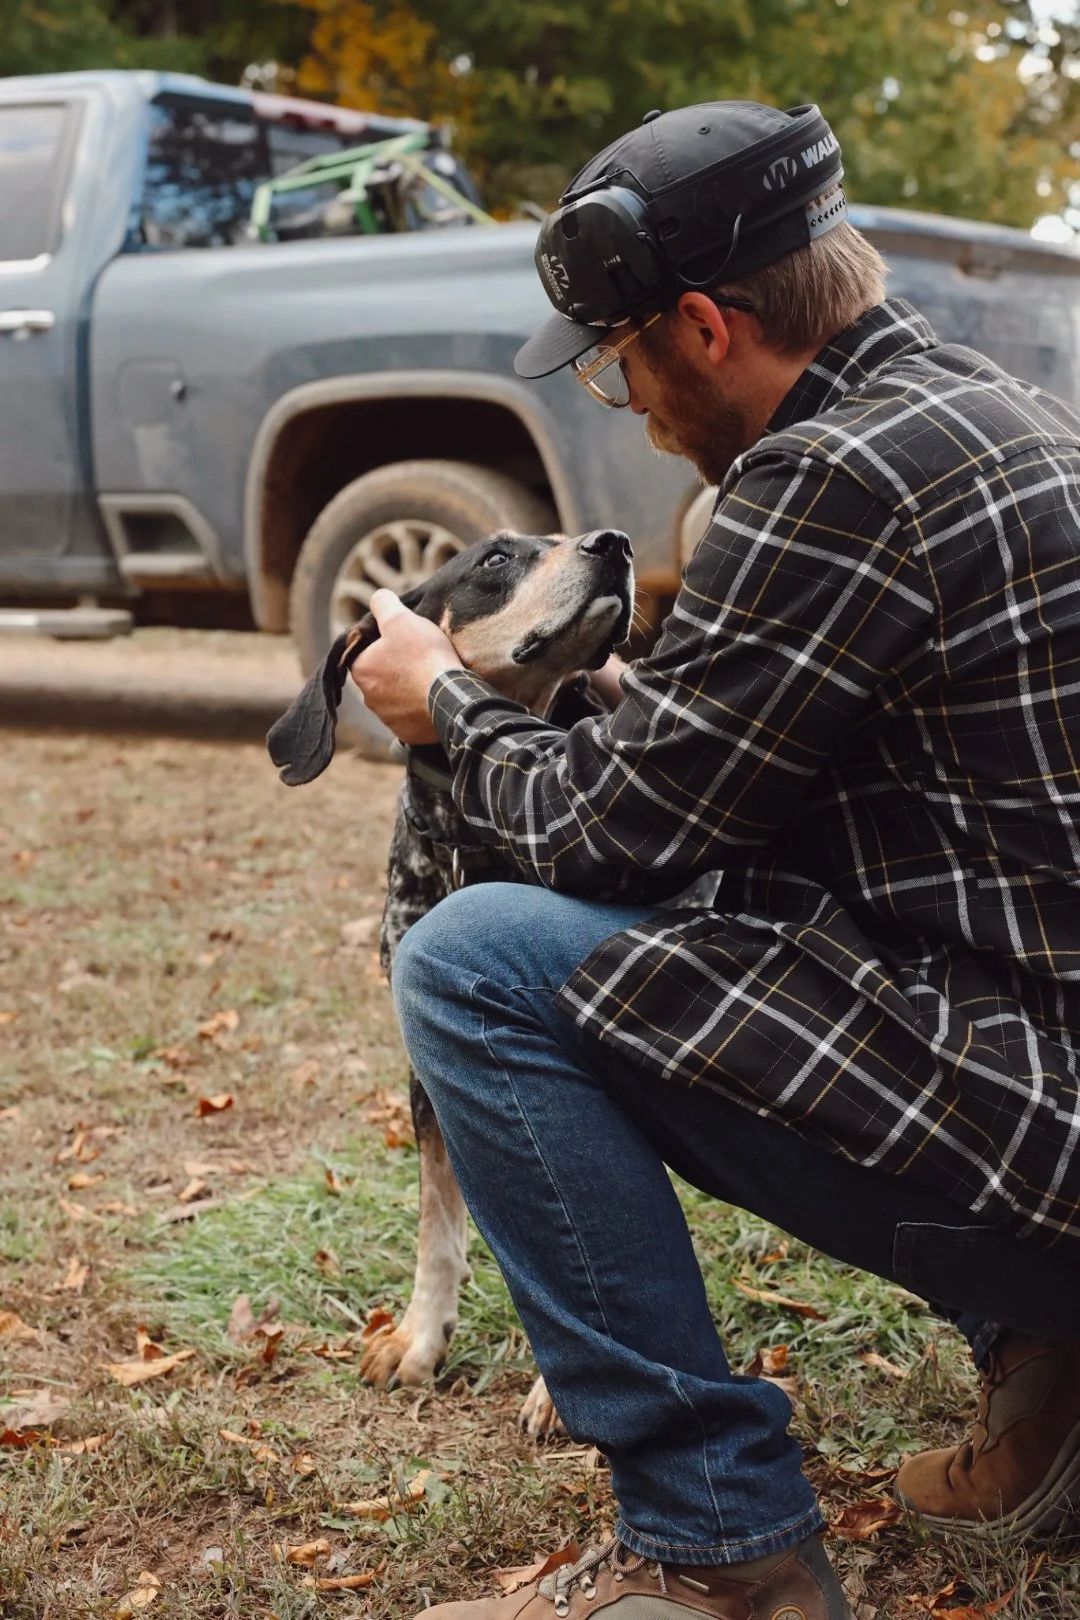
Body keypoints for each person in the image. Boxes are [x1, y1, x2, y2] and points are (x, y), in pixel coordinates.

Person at [350, 100, 1080, 1620]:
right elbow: (833, 792)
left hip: (1049, 1131)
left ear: (700, 326)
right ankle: (1051, 1369)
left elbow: (612, 840)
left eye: (620, 363)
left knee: (474, 963)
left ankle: (718, 1544)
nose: (629, 400)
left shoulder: (826, 481)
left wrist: (454, 703)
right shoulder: (984, 412)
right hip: (1049, 1046)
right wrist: (637, 711)